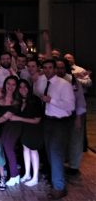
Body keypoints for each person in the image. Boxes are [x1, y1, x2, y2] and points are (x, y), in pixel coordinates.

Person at [35, 59, 75, 199]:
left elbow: (70, 106)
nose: (47, 70)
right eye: (45, 68)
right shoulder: (42, 81)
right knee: (50, 154)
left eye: (50, 68)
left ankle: (59, 187)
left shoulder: (64, 85)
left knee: (56, 155)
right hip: (47, 121)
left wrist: (51, 100)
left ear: (55, 69)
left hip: (60, 123)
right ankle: (56, 182)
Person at [8, 79, 43, 186]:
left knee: (33, 151)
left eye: (25, 86)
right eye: (20, 87)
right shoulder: (18, 101)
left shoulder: (35, 99)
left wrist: (18, 118)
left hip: (34, 129)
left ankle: (35, 177)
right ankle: (27, 174)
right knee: (25, 150)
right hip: (23, 130)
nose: (23, 89)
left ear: (29, 87)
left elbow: (37, 120)